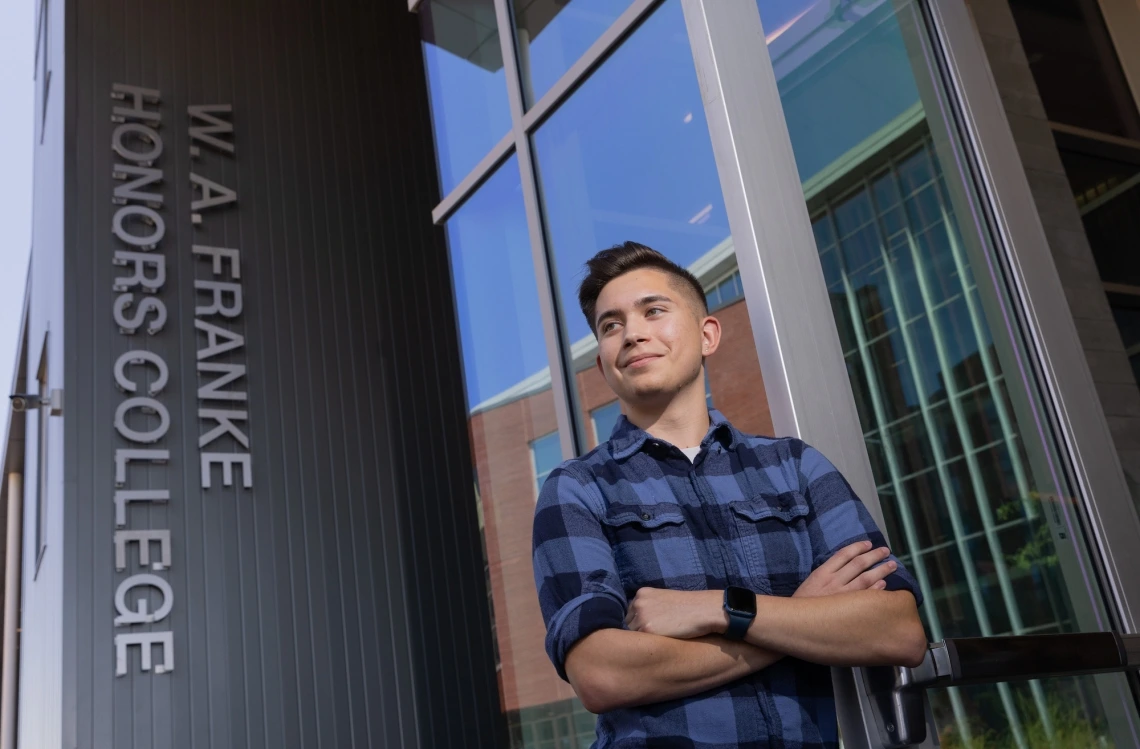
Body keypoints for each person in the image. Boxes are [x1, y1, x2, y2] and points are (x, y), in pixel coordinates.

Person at [532, 242, 928, 748]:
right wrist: (796, 619)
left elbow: (897, 630)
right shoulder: (577, 489)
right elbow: (602, 673)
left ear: (707, 335)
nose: (632, 333)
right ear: (604, 364)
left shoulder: (795, 466)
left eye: (653, 311)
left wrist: (719, 608)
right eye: (610, 326)